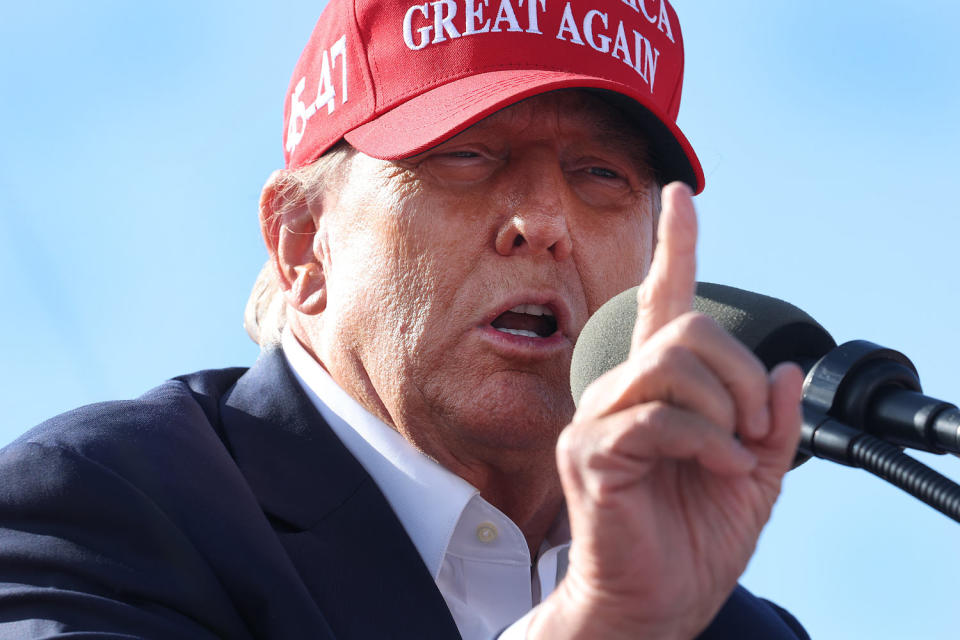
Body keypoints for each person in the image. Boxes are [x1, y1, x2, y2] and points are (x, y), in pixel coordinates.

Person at [0, 1, 808, 638]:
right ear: (302, 242)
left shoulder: (735, 628)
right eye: (464, 155)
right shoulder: (96, 508)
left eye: (599, 173)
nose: (544, 220)